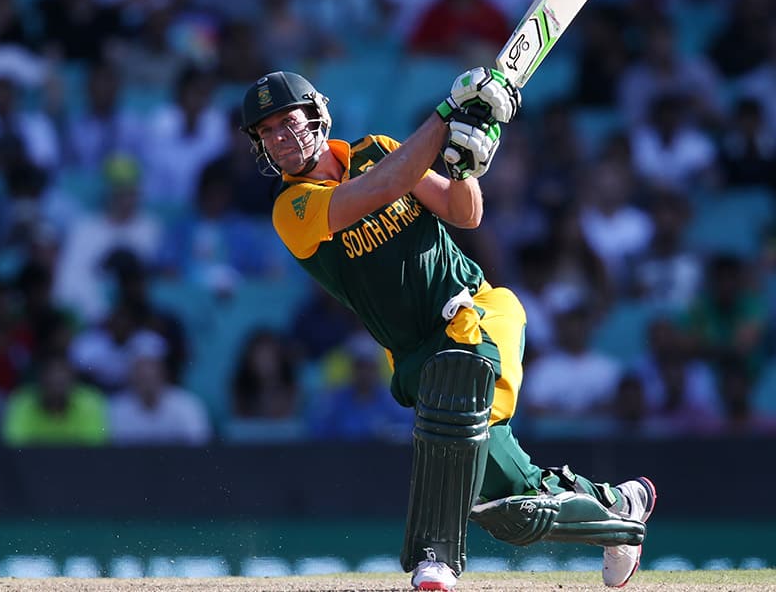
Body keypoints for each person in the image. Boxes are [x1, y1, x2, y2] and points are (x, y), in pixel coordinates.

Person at [239, 69, 656, 590]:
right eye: (267, 132)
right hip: (413, 352)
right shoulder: (291, 208)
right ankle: (620, 510)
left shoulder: (379, 149)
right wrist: (445, 116)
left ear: (317, 115)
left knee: (458, 392)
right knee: (506, 506)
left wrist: (463, 168)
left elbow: (467, 213)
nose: (279, 138)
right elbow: (383, 186)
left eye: (287, 121)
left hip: (477, 311)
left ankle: (433, 559)